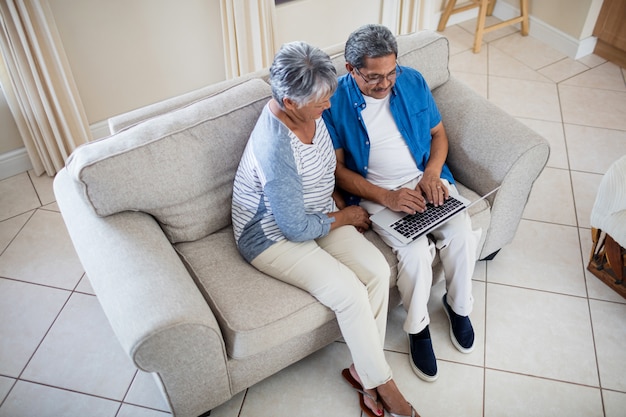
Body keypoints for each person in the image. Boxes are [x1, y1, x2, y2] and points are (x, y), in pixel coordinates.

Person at [232, 41, 418, 417]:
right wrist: (347, 217)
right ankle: (383, 385)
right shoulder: (275, 147)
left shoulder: (309, 115)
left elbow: (323, 169)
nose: (328, 106)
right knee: (349, 292)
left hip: (318, 213)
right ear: (289, 102)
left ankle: (361, 372)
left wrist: (337, 203)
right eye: (320, 102)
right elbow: (295, 228)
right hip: (272, 236)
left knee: (379, 272)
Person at [323, 24, 481, 382]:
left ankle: (458, 307)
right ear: (351, 69)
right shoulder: (333, 102)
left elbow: (438, 135)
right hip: (377, 192)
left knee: (459, 231)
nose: (386, 82)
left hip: (425, 180)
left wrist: (431, 173)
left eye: (391, 71)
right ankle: (417, 327)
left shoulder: (412, 80)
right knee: (414, 254)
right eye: (374, 77)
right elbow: (337, 170)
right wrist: (387, 196)